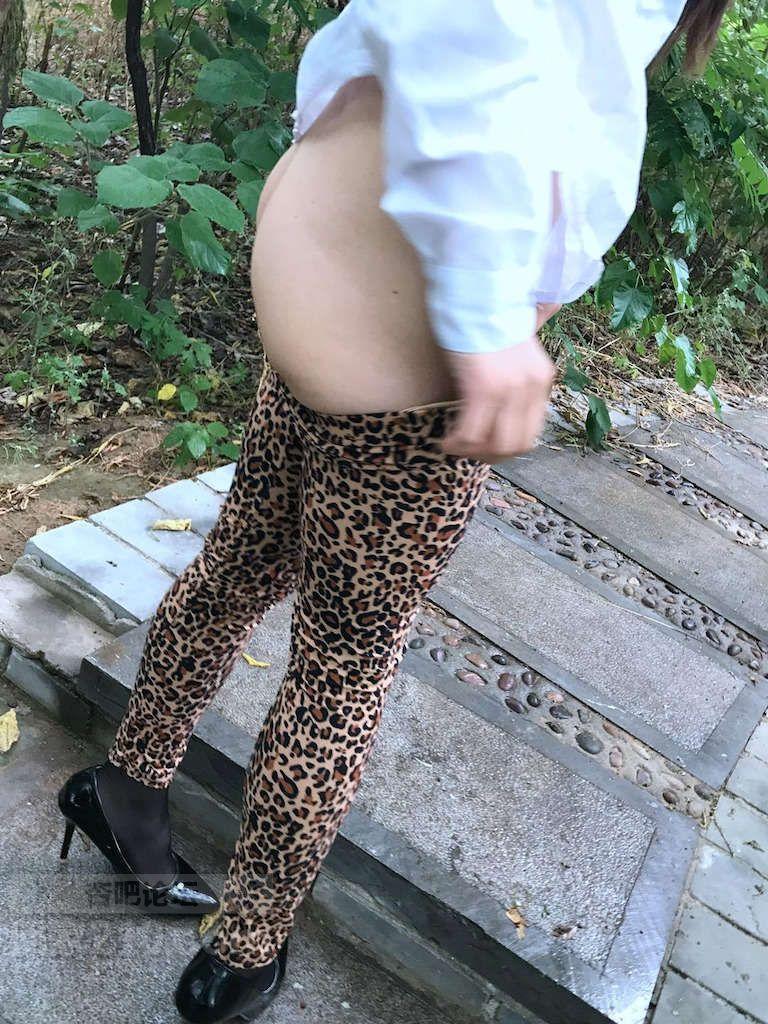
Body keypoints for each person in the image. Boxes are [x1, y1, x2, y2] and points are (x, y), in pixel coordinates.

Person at [57, 2, 730, 1021]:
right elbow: (468, 30)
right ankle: (243, 953)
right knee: (342, 669)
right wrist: (487, 318)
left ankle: (124, 791)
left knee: (236, 568)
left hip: (329, 307)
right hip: (404, 387)